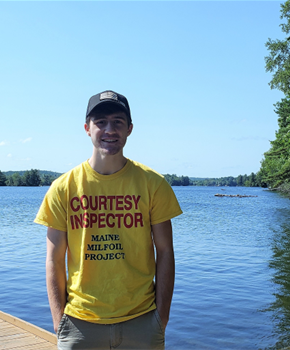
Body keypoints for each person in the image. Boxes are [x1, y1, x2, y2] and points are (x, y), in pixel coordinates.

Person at [34, 90, 182, 350]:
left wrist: (161, 317)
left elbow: (166, 252)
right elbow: (54, 259)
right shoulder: (63, 188)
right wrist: (59, 321)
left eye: (118, 122)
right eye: (100, 122)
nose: (109, 129)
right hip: (80, 322)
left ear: (130, 129)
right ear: (87, 128)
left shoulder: (153, 184)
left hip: (141, 320)